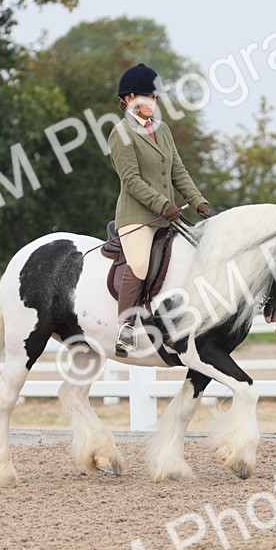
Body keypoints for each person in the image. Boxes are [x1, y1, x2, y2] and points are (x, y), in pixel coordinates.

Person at [107, 63, 214, 355]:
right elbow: (130, 180)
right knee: (139, 264)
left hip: (167, 215)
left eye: (155, 98)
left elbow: (178, 171)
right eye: (146, 97)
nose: (152, 103)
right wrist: (163, 204)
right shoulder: (121, 133)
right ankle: (125, 328)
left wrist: (199, 202)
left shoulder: (162, 130)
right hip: (137, 217)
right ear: (129, 99)